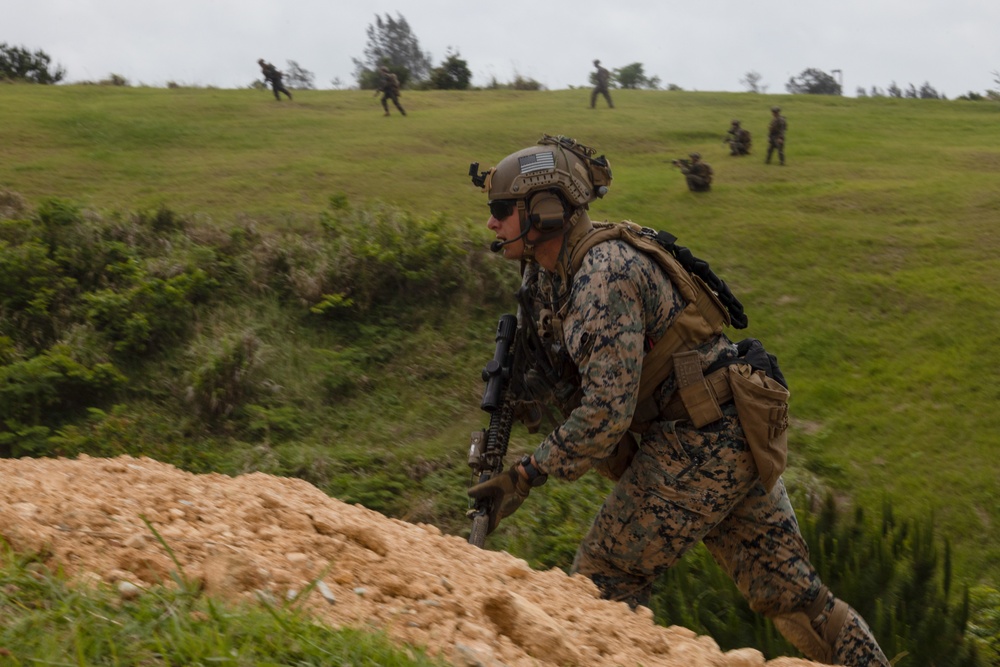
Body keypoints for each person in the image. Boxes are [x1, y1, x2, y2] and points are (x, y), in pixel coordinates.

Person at [466, 134, 890, 666]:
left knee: (603, 578)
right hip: (725, 432)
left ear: (545, 210)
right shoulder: (556, 273)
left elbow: (605, 414)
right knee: (796, 599)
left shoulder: (602, 276)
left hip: (702, 438)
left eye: (502, 210)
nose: (491, 224)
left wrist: (526, 474)